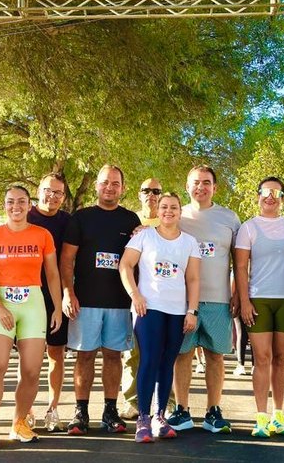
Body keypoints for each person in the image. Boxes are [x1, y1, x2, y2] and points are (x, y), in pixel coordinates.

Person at [0, 186, 63, 449]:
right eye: (10, 202)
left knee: (31, 370)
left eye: (22, 202)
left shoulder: (42, 235)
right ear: (4, 205)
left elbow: (51, 274)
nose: (16, 206)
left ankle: (19, 422)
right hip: (1, 302)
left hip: (33, 302)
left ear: (30, 205)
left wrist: (57, 308)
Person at [61, 164, 141, 435]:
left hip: (118, 303)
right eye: (105, 182)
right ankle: (80, 412)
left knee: (113, 356)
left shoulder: (131, 220)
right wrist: (68, 292)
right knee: (84, 357)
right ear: (96, 185)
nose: (110, 187)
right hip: (85, 302)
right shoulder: (81, 218)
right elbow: (67, 260)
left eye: (115, 183)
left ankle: (110, 411)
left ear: (123, 188)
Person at [120, 192, 201, 443]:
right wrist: (135, 295)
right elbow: (125, 266)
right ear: (158, 209)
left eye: (174, 207)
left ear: (180, 211)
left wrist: (192, 310)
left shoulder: (189, 242)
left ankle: (159, 416)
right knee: (149, 360)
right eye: (164, 206)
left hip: (177, 312)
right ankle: (143, 419)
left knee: (167, 363)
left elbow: (193, 279)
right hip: (149, 309)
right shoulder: (144, 237)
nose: (168, 211)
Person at [169, 165, 241, 434]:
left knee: (215, 356)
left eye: (206, 182)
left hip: (218, 299)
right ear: (187, 186)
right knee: (182, 354)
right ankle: (182, 410)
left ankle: (213, 411)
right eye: (196, 182)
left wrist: (238, 294)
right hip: (182, 301)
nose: (201, 187)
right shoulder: (177, 214)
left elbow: (241, 261)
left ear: (215, 187)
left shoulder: (229, 218)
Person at [235, 176, 284, 438]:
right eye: (265, 191)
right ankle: (260, 417)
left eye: (276, 192)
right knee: (262, 358)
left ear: (283, 197)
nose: (270, 196)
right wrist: (244, 301)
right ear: (258, 195)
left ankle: (278, 416)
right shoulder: (248, 228)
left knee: (281, 358)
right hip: (259, 299)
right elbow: (240, 267)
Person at [28, 173, 72, 432]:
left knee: (56, 353)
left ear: (63, 197)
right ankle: (28, 409)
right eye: (47, 190)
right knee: (29, 358)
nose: (52, 196)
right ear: (38, 191)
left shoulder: (68, 222)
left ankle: (52, 409)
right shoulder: (25, 216)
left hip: (56, 296)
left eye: (57, 193)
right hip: (27, 296)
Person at [120, 177, 164, 421]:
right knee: (131, 354)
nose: (151, 195)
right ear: (139, 194)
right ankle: (131, 401)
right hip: (133, 296)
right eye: (146, 190)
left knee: (161, 353)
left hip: (163, 298)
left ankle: (164, 402)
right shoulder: (131, 220)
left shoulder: (170, 219)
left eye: (156, 191)